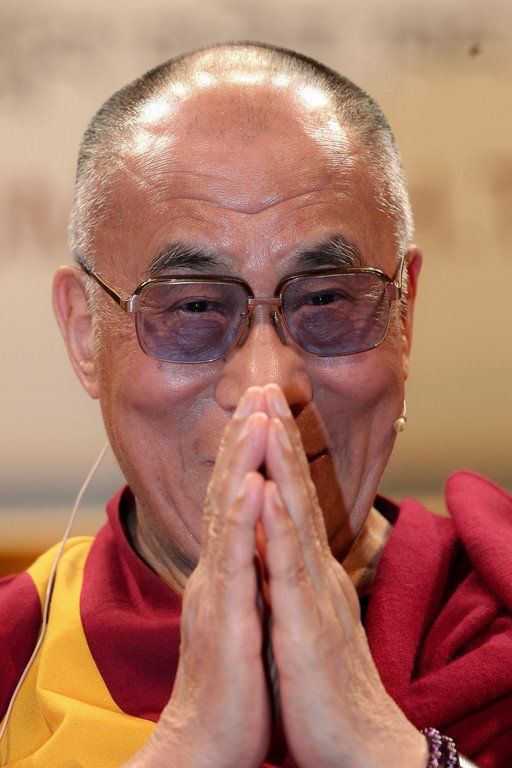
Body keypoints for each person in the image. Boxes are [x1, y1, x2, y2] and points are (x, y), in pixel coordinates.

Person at [0, 42, 510, 768]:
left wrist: (384, 749)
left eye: (326, 301)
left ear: (406, 315)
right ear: (85, 334)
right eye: (194, 307)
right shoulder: (13, 659)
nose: (267, 387)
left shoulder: (491, 623)